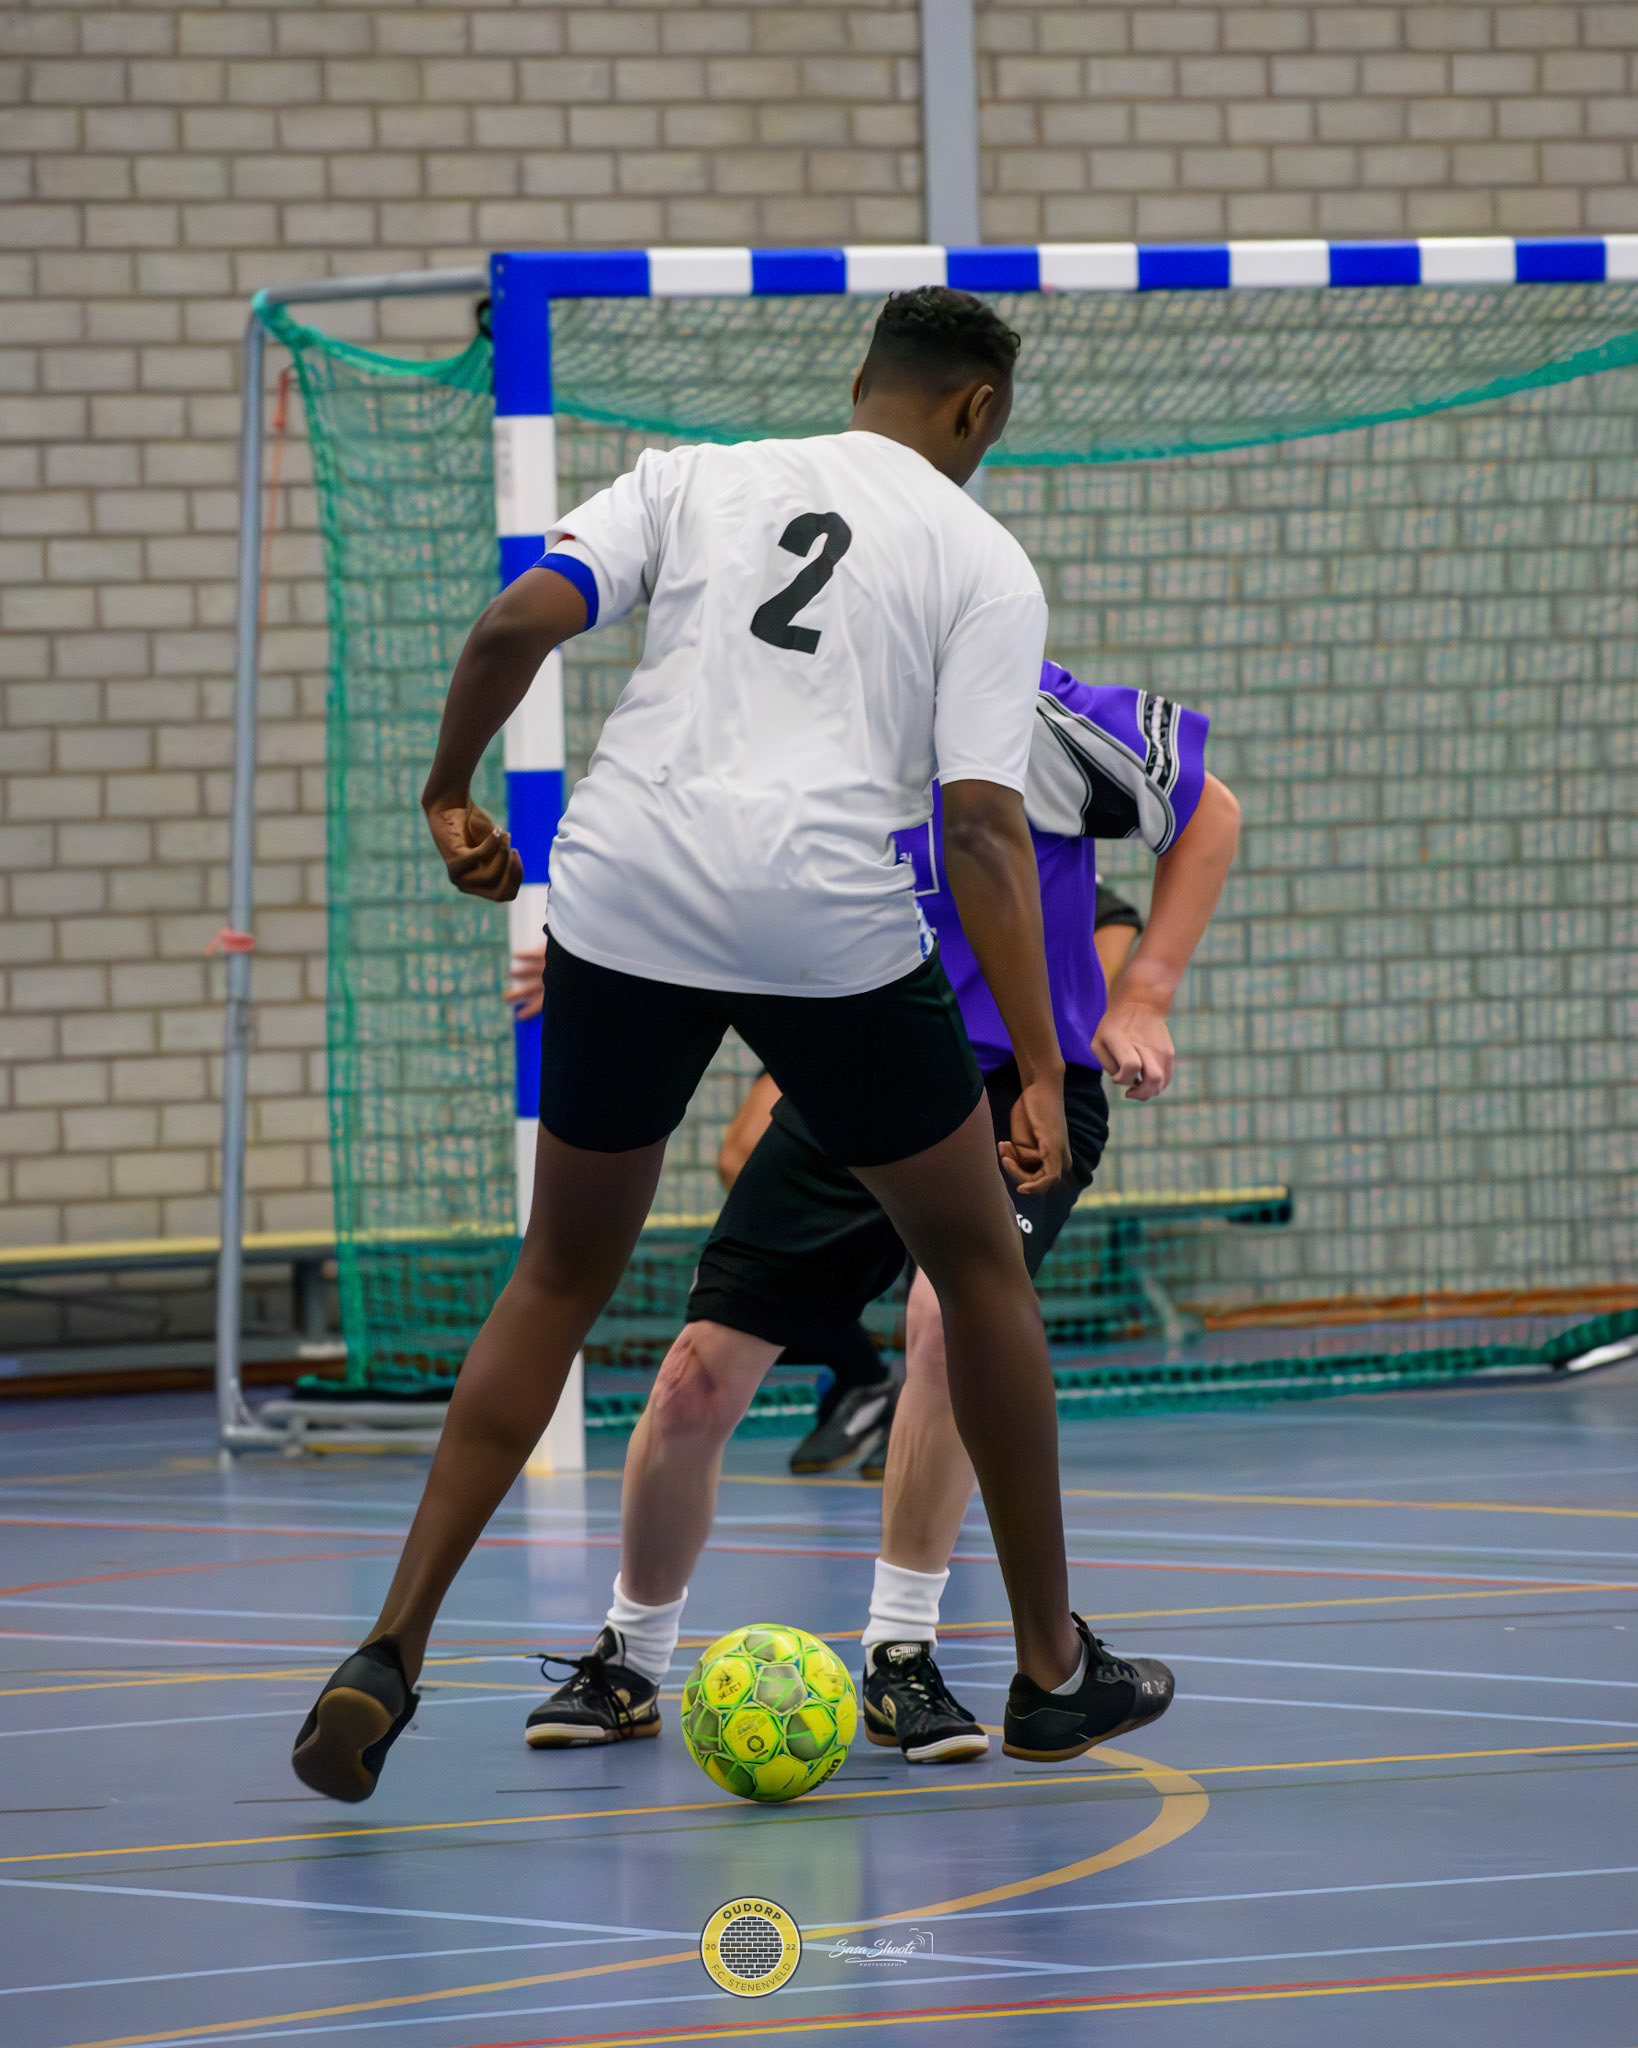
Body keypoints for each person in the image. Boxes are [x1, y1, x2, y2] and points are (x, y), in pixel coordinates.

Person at [292, 286, 1156, 1803]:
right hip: (824, 917)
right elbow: (980, 827)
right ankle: (1048, 1669)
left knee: (559, 1274)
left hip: (623, 893)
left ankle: (390, 1646)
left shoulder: (689, 476)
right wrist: (1037, 1059)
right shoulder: (979, 556)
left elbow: (514, 623)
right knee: (977, 1270)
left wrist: (448, 791)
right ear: (976, 412)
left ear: (859, 377)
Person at [525, 664, 1240, 1765]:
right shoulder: (795, 732)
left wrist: (1145, 991)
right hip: (858, 1076)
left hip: (1014, 1090)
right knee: (693, 1379)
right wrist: (610, 963)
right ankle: (629, 1656)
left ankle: (902, 1656)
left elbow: (1208, 811)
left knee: (948, 1324)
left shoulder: (1030, 715)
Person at [509, 882, 1147, 1481]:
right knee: (739, 1157)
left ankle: (932, 1394)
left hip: (974, 1053)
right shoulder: (831, 846)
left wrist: (1093, 1017)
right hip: (854, 1020)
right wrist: (605, 958)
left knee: (944, 1286)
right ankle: (861, 1373)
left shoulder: (996, 840)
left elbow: (1111, 915)